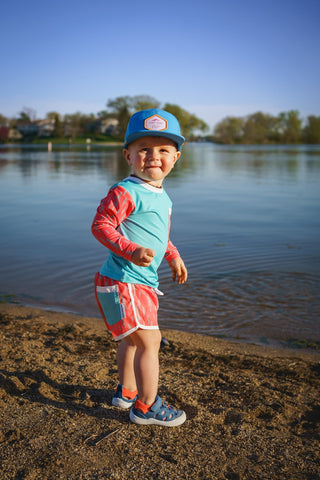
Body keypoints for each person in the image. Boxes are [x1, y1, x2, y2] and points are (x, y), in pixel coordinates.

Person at [91, 109, 188, 426]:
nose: (153, 156)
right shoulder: (126, 191)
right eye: (144, 148)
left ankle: (128, 392)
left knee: (132, 341)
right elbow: (101, 225)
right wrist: (130, 251)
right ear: (128, 155)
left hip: (134, 282)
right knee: (150, 341)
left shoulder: (163, 196)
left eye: (163, 150)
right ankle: (147, 407)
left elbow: (159, 235)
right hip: (124, 281)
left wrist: (172, 255)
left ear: (176, 157)